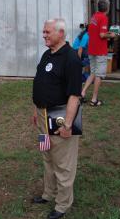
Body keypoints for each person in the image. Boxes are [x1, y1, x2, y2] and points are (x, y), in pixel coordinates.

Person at [32, 18, 82, 219]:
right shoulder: (46, 54)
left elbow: (74, 96)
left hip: (60, 117)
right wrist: (35, 109)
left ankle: (62, 205)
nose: (43, 35)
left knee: (63, 163)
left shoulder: (71, 58)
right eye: (43, 32)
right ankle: (48, 193)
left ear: (60, 33)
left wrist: (68, 124)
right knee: (47, 156)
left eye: (47, 32)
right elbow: (40, 83)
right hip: (42, 117)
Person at [81, 0, 115, 106]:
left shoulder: (94, 16)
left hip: (92, 49)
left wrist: (107, 33)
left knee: (93, 72)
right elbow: (101, 35)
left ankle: (82, 93)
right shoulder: (104, 17)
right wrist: (111, 35)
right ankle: (94, 100)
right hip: (100, 50)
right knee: (99, 75)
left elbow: (94, 32)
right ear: (107, 8)